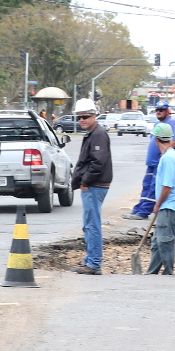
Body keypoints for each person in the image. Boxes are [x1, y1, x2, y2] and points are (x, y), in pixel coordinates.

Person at [71, 98, 113, 275]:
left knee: (92, 225)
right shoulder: (93, 133)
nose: (82, 120)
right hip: (93, 185)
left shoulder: (98, 134)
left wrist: (85, 181)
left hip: (95, 185)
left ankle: (94, 263)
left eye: (85, 116)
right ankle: (90, 260)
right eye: (79, 117)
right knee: (89, 224)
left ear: (94, 115)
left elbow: (98, 162)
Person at [123, 101, 175, 220]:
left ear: (167, 111)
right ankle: (138, 209)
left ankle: (143, 212)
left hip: (158, 162)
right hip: (151, 163)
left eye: (161, 110)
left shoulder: (171, 123)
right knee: (146, 186)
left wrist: (165, 152)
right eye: (157, 110)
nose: (159, 112)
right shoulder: (158, 124)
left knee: (153, 188)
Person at [147, 122, 175, 275]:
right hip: (168, 207)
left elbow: (167, 187)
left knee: (165, 241)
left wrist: (157, 204)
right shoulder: (172, 155)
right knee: (157, 242)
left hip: (168, 207)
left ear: (156, 140)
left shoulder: (168, 158)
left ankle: (168, 272)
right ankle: (152, 272)